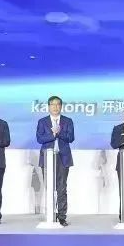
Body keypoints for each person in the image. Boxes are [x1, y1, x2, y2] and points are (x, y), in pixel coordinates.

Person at [36, 95, 75, 227]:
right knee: (49, 187)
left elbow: (71, 137)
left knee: (62, 188)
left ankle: (62, 216)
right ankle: (50, 214)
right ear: (48, 107)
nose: (55, 107)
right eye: (52, 104)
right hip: (47, 158)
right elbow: (40, 139)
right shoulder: (42, 121)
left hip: (63, 157)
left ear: (61, 106)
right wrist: (52, 135)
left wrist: (59, 133)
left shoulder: (67, 121)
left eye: (58, 104)